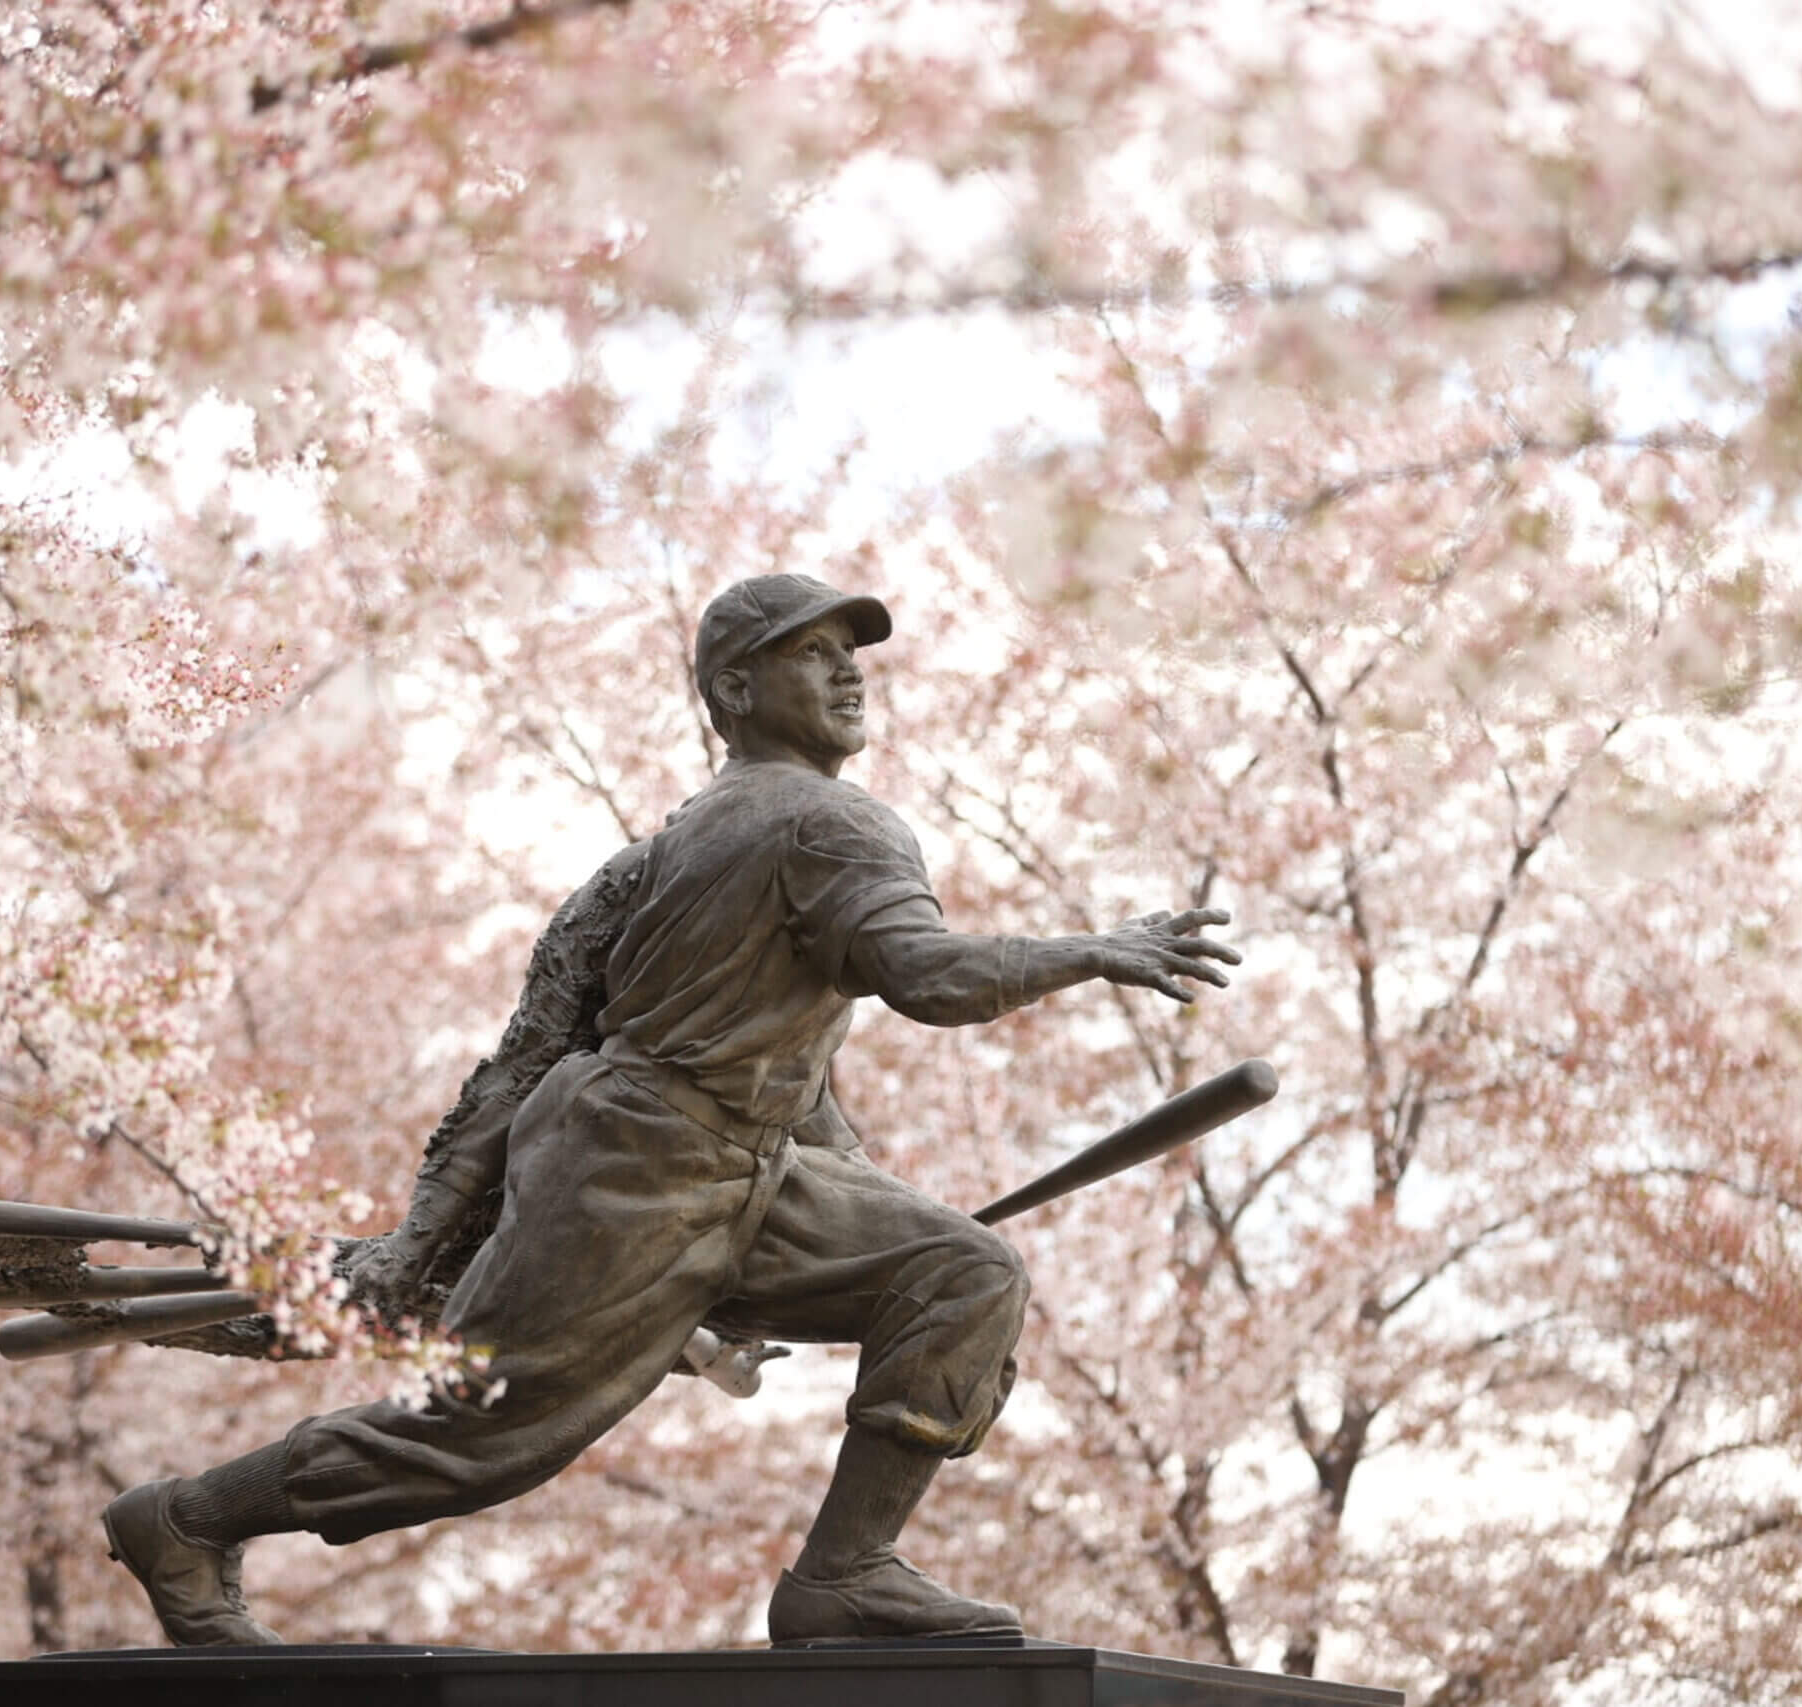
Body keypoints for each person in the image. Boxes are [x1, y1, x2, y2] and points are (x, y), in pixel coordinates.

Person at [102, 573, 1240, 1647]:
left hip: (723, 1156)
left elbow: (773, 1073)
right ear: (733, 693)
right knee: (481, 1435)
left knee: (961, 1273)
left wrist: (852, 1227)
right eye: (811, 654)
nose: (849, 676)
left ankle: (840, 1578)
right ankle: (187, 1520)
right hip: (635, 1165)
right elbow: (926, 977)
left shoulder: (645, 860)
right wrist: (1093, 948)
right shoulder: (827, 827)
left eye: (852, 657)